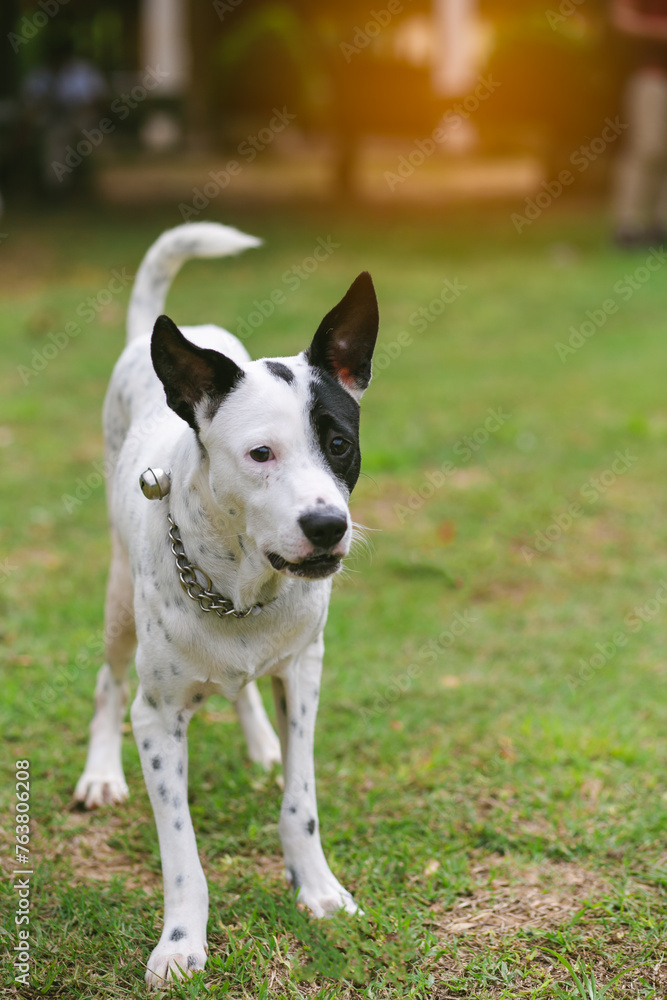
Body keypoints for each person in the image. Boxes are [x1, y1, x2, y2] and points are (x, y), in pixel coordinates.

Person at [611, 0, 667, 246]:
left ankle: (661, 226)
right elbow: (620, 18)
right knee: (648, 148)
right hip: (651, 77)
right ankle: (628, 226)